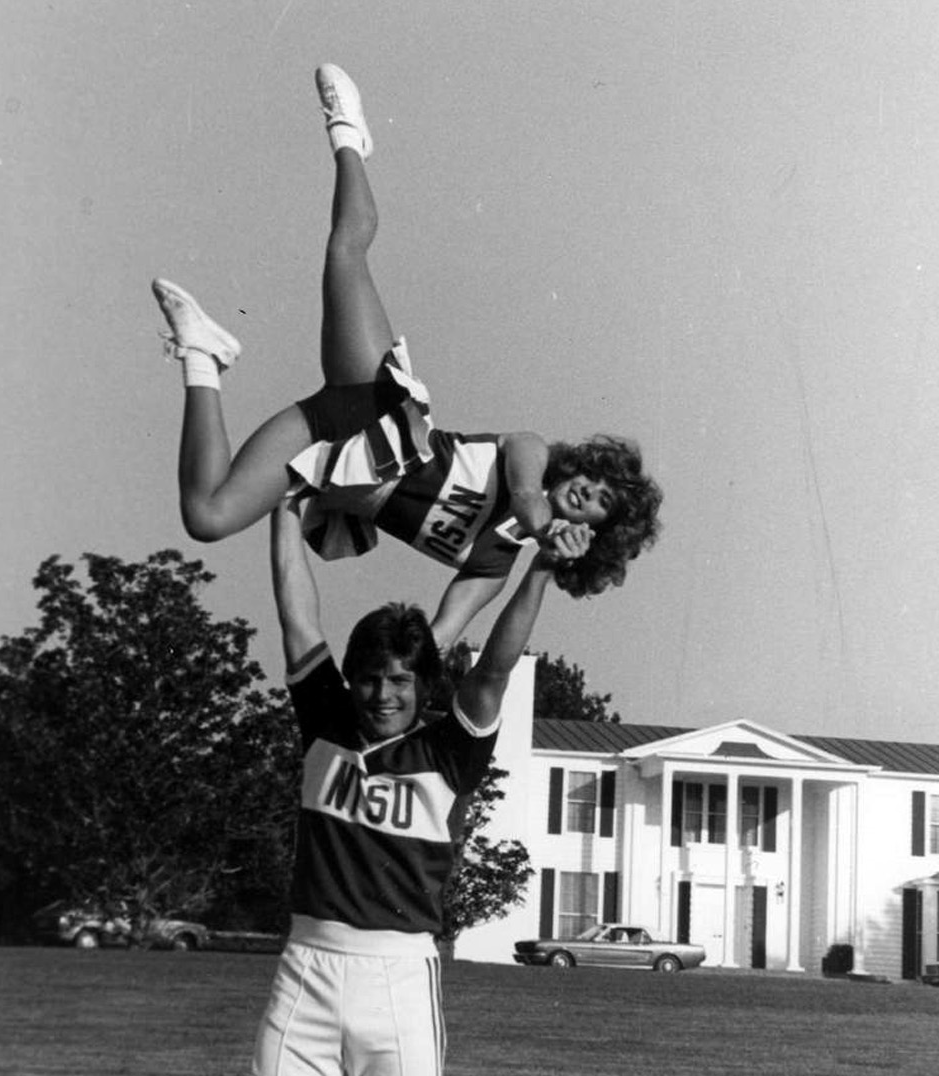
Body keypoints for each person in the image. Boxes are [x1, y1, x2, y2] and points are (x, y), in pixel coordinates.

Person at [186, 496, 560, 1076]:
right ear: (351, 679)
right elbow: (295, 609)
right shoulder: (322, 722)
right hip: (306, 973)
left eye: (401, 678)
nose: (385, 692)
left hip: (400, 980)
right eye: (372, 677)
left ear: (422, 684)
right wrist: (281, 511)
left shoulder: (449, 748)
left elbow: (501, 659)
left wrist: (544, 563)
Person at [151, 64, 662, 649]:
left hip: (326, 457)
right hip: (372, 407)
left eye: (601, 505)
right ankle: (348, 133)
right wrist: (546, 533)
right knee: (346, 253)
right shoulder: (531, 453)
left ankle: (203, 358)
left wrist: (413, 676)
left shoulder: (494, 566)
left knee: (207, 518)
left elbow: (440, 639)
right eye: (594, 481)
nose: (587, 493)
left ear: (598, 533)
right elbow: (524, 495)